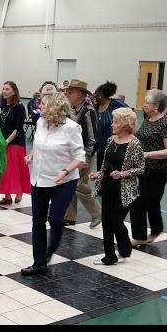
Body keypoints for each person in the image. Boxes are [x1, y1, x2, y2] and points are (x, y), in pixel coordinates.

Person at [21, 92, 85, 276]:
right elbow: (39, 144)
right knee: (37, 222)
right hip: (39, 178)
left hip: (63, 181)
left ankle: (52, 247)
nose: (39, 106)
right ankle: (39, 262)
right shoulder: (41, 122)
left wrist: (65, 171)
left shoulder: (72, 128)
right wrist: (31, 155)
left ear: (55, 108)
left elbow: (79, 156)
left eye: (43, 104)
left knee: (56, 219)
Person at [89, 108, 144, 265]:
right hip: (108, 186)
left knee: (116, 221)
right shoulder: (110, 140)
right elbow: (106, 164)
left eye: (115, 122)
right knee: (106, 221)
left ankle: (125, 246)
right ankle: (109, 256)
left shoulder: (134, 144)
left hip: (125, 189)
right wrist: (98, 174)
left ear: (125, 124)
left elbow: (140, 168)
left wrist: (123, 173)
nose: (112, 124)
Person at [130, 89, 167, 246]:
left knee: (151, 202)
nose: (144, 105)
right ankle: (139, 236)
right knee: (137, 202)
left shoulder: (166, 124)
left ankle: (156, 229)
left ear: (156, 106)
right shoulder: (147, 119)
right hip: (141, 168)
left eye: (147, 103)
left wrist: (148, 154)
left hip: (157, 170)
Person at [63, 80, 102, 228]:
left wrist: (86, 157)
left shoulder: (88, 111)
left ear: (79, 94)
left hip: (85, 153)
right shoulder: (73, 109)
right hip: (73, 153)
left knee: (80, 184)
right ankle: (70, 216)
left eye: (70, 92)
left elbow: (92, 138)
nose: (68, 94)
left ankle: (97, 212)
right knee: (71, 182)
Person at [0, 81, 31, 206]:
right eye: (3, 89)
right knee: (5, 168)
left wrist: (7, 141)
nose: (4, 91)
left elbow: (18, 128)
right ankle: (7, 196)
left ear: (14, 92)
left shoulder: (19, 107)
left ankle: (18, 191)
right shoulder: (3, 106)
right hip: (4, 141)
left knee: (15, 169)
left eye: (7, 89)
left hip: (15, 142)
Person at [93, 81, 126, 170]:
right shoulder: (95, 107)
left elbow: (129, 116)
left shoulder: (116, 104)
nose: (94, 96)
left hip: (114, 147)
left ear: (100, 94)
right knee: (100, 171)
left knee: (111, 171)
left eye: (95, 94)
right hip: (100, 147)